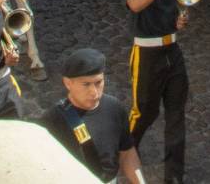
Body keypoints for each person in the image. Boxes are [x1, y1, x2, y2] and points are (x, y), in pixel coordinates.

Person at [124, 0, 189, 184]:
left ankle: (174, 177)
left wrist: (180, 19)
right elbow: (135, 5)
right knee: (143, 113)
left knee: (176, 115)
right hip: (146, 54)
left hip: (173, 50)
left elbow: (181, 4)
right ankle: (126, 154)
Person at [40, 49, 144, 183]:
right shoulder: (52, 120)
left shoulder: (114, 108)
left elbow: (127, 153)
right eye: (86, 84)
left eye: (98, 82)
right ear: (68, 83)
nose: (94, 92)